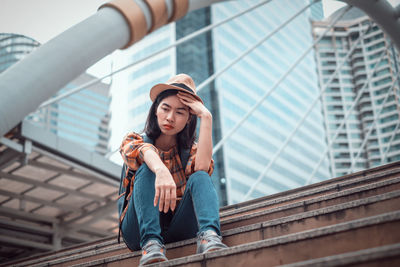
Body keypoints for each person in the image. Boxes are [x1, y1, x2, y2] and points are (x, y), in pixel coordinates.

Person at [118, 74, 227, 266]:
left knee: (200, 176)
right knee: (147, 169)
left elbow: (202, 169)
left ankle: (209, 236)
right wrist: (160, 170)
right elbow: (142, 151)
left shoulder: (190, 151)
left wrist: (206, 117)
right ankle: (151, 244)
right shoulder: (134, 139)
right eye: (165, 109)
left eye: (180, 112)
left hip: (178, 225)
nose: (170, 117)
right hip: (138, 229)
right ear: (155, 111)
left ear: (188, 119)